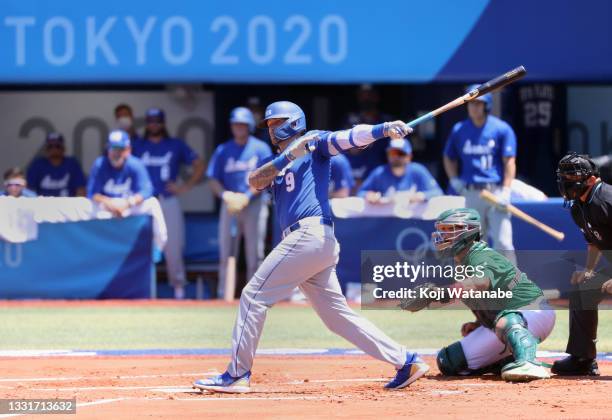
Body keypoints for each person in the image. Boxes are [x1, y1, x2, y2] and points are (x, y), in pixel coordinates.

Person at [194, 101, 429, 393]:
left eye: (274, 122)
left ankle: (237, 374)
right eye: (268, 124)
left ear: (291, 122)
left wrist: (383, 130)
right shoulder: (278, 160)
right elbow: (254, 180)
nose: (270, 129)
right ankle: (406, 360)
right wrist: (288, 156)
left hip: (309, 234)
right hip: (310, 242)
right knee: (336, 317)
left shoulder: (315, 142)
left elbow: (349, 137)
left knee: (253, 296)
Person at [400, 208, 555, 382]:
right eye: (442, 230)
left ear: (469, 232)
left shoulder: (481, 255)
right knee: (449, 361)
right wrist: (479, 323)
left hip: (533, 311)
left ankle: (529, 362)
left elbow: (479, 283)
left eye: (451, 230)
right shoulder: (458, 263)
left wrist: (436, 293)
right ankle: (506, 360)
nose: (444, 236)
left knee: (506, 320)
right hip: (507, 318)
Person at [132, 107, 204, 299]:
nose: (153, 125)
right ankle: (142, 289)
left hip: (167, 199)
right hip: (144, 203)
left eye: (157, 121)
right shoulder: (137, 146)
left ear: (163, 123)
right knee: (140, 245)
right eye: (150, 121)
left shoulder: (175, 144)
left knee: (173, 245)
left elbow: (199, 164)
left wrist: (184, 187)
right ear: (146, 123)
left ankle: (178, 288)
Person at [552, 152, 611, 376]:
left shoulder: (607, 199)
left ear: (591, 179)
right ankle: (582, 358)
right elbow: (594, 242)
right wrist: (588, 271)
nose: (566, 181)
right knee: (583, 288)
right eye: (563, 176)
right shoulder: (578, 207)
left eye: (572, 175)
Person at [206, 107, 273, 298]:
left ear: (249, 126)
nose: (239, 128)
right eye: (236, 124)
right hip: (230, 204)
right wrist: (225, 195)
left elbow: (268, 175)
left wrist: (247, 195)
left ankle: (256, 296)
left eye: (243, 124)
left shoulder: (260, 148)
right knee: (226, 251)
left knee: (255, 253)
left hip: (254, 203)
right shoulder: (223, 149)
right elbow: (212, 178)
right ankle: (223, 294)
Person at [443, 85, 517, 253]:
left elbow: (509, 162)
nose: (474, 107)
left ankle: (510, 280)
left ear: (486, 105)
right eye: (471, 103)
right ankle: (476, 279)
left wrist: (506, 190)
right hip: (471, 192)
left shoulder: (501, 128)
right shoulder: (459, 129)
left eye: (478, 103)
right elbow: (449, 157)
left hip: (496, 191)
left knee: (503, 243)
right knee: (472, 245)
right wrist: (454, 180)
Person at [87, 130, 152, 217]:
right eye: (113, 149)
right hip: (107, 206)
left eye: (120, 149)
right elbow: (92, 193)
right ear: (108, 150)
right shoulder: (100, 164)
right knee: (85, 204)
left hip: (130, 205)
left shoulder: (135, 164)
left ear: (128, 150)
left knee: (152, 203)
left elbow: (146, 190)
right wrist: (110, 203)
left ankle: (160, 231)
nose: (116, 153)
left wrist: (128, 203)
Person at [358, 138, 442, 204]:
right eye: (392, 153)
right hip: (387, 222)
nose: (396, 157)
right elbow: (360, 193)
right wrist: (369, 195)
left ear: (409, 156)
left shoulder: (418, 170)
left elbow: (437, 193)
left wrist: (422, 196)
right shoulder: (380, 173)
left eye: (400, 153)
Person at [342, 84, 393, 191]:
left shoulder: (386, 121)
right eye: (363, 95)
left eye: (369, 95)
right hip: (354, 174)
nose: (366, 98)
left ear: (376, 97)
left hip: (376, 173)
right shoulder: (350, 120)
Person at [26, 132, 86, 197]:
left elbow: (81, 190)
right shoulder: (37, 165)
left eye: (57, 146)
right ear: (46, 149)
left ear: (63, 148)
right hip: (42, 205)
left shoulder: (72, 164)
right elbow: (29, 189)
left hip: (68, 205)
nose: (54, 149)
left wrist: (78, 205)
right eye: (50, 146)